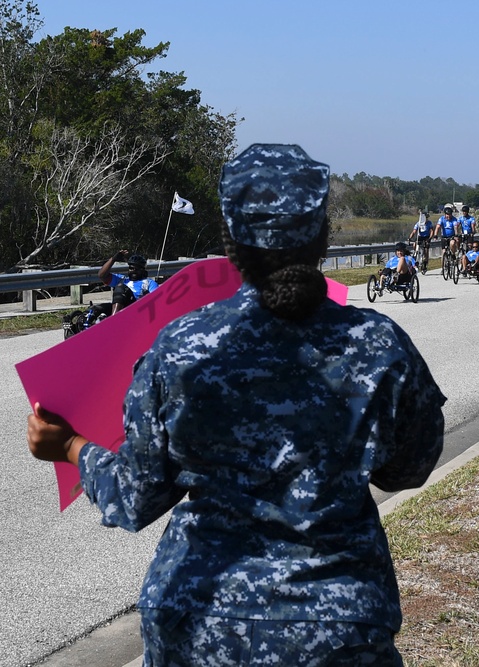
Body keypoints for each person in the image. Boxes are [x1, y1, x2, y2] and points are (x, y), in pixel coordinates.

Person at [27, 143, 446, 666]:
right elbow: (408, 470)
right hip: (339, 627)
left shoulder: (180, 347)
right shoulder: (380, 344)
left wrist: (70, 448)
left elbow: (135, 498)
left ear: (230, 241)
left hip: (202, 624)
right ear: (321, 237)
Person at [96, 251, 159, 316]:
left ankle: (114, 321)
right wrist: (113, 259)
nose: (134, 270)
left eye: (137, 268)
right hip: (121, 308)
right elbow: (102, 276)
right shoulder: (122, 279)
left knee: (121, 287)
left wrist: (147, 298)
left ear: (143, 270)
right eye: (131, 268)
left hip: (137, 311)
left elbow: (157, 301)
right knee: (96, 309)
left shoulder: (149, 283)